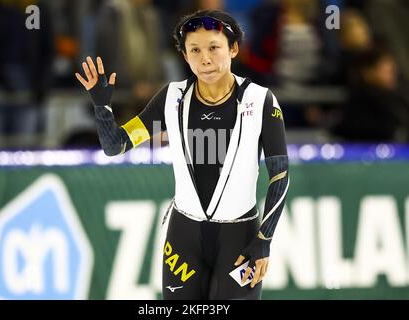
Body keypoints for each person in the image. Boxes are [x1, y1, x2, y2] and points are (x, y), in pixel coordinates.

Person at [76, 10, 289, 300]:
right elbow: (116, 145)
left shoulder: (261, 100)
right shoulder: (171, 99)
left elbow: (280, 175)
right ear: (185, 56)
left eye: (214, 47)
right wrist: (102, 107)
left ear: (233, 48)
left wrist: (264, 241)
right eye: (195, 50)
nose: (205, 59)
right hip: (184, 238)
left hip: (239, 240)